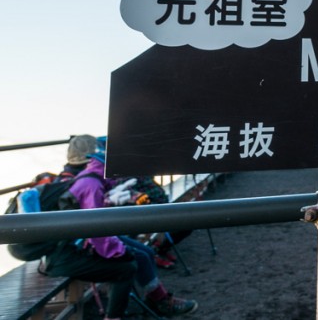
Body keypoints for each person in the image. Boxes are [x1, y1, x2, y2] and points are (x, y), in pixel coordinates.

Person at [40, 134, 199, 318]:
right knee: (129, 264)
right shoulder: (89, 181)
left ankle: (159, 300)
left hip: (82, 241)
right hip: (72, 248)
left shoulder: (77, 178)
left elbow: (92, 219)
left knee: (144, 253)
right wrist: (120, 250)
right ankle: (142, 307)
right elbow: (95, 227)